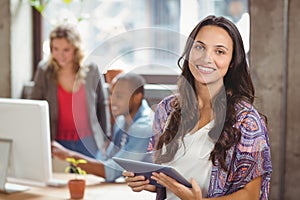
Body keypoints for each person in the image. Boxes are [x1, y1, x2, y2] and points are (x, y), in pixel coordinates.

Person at [123, 15, 272, 200]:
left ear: (232, 61)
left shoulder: (246, 121)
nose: (206, 58)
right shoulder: (166, 110)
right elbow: (166, 181)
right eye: (199, 47)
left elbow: (251, 195)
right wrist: (146, 182)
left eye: (219, 51)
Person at [51, 72, 154, 182]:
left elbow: (113, 170)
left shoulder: (144, 127)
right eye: (111, 94)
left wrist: (68, 155)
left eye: (118, 96)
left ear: (137, 97)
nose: (111, 100)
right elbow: (106, 158)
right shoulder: (122, 120)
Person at [30, 24, 110, 158]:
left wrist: (107, 138)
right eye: (55, 49)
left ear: (76, 49)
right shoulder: (44, 71)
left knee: (90, 179)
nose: (60, 55)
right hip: (56, 142)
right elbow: (34, 106)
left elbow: (102, 104)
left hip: (88, 141)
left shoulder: (91, 70)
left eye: (66, 49)